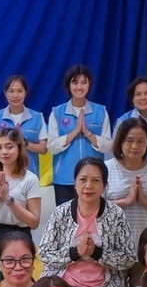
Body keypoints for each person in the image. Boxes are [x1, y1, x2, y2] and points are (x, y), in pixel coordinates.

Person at [35, 157, 135, 287]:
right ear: (74, 183)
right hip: (63, 279)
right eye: (83, 180)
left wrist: (96, 253)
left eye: (95, 180)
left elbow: (128, 257)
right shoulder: (61, 212)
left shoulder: (115, 214)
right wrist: (75, 253)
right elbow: (44, 253)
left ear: (104, 185)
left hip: (102, 283)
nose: (88, 185)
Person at [45, 64, 110, 207]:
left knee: (93, 221)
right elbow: (51, 147)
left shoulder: (100, 111)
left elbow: (107, 146)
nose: (79, 87)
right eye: (75, 82)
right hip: (64, 179)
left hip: (93, 179)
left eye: (83, 82)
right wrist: (75, 131)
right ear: (68, 85)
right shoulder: (57, 112)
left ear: (89, 84)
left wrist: (87, 133)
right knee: (65, 222)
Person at [0, 126, 41, 232]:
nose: (4, 152)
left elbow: (34, 222)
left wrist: (8, 199)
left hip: (19, 235)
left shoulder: (30, 179)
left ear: (19, 149)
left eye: (9, 147)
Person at [0, 73, 46, 155]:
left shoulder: (37, 117)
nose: (15, 95)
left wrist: (24, 142)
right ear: (5, 94)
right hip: (3, 167)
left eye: (20, 91)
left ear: (25, 93)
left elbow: (43, 149)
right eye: (11, 91)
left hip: (29, 168)